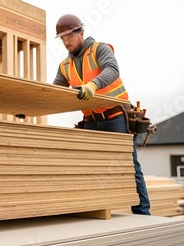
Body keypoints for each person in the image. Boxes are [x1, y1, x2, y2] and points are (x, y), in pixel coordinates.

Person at [52, 14, 150, 215]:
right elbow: (56, 93)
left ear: (81, 32)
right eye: (62, 38)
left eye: (69, 36)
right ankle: (95, 210)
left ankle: (142, 213)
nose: (66, 42)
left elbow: (112, 70)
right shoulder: (64, 66)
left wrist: (92, 85)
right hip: (90, 121)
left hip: (115, 118)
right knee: (90, 168)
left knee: (129, 166)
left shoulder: (99, 49)